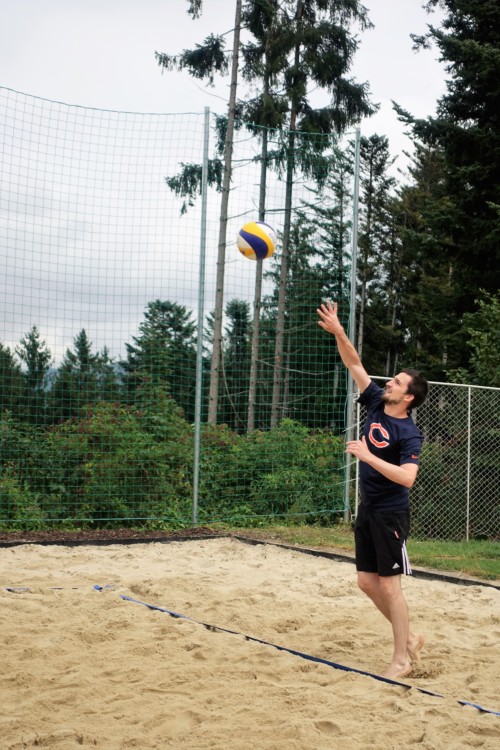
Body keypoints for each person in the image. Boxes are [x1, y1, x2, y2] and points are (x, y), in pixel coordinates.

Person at [317, 301, 428, 679]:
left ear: (408, 397)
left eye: (397, 382)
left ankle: (401, 660)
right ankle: (410, 637)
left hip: (391, 513)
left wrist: (367, 456)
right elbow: (354, 364)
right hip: (368, 508)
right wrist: (339, 332)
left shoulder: (409, 433)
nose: (389, 383)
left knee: (391, 587)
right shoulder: (378, 403)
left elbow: (407, 478)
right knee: (366, 582)